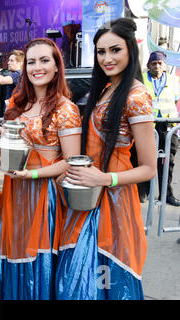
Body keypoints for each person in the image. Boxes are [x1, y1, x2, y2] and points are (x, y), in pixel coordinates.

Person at [55, 18, 157, 300]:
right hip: (88, 195)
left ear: (130, 51)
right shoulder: (105, 89)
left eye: (115, 50)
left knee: (108, 281)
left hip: (114, 202)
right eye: (101, 52)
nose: (107, 58)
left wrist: (105, 178)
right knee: (78, 280)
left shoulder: (136, 95)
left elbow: (149, 168)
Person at [0, 38, 82, 300]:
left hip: (44, 197)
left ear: (57, 67)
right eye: (31, 61)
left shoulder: (66, 109)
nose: (36, 67)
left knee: (37, 262)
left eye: (44, 60)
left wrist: (31, 174)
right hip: (13, 193)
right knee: (14, 255)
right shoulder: (16, 106)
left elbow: (71, 160)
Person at [142, 50, 180, 206]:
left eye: (160, 63)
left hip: (168, 126)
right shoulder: (142, 79)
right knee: (145, 159)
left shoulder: (173, 80)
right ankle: (144, 191)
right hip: (147, 126)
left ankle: (167, 194)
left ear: (165, 65)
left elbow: (175, 99)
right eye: (154, 63)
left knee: (167, 162)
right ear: (148, 65)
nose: (157, 66)